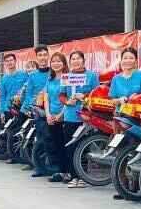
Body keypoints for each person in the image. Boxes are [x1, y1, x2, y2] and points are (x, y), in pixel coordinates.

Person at [51, 50, 99, 187]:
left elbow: (97, 94)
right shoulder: (67, 77)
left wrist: (84, 96)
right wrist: (67, 101)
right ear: (70, 62)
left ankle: (83, 177)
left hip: (86, 117)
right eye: (73, 59)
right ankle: (73, 176)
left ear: (83, 60)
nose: (75, 61)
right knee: (70, 146)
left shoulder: (91, 76)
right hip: (70, 116)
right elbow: (61, 95)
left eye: (78, 58)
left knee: (83, 147)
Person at [108, 47, 141, 198]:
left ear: (136, 60)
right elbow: (112, 99)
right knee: (122, 152)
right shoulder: (116, 78)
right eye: (125, 58)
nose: (127, 61)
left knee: (139, 150)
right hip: (121, 118)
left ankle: (139, 187)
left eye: (131, 58)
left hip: (138, 118)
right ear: (121, 60)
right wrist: (119, 100)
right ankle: (123, 187)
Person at [39, 52, 71, 181]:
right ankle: (61, 171)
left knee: (65, 146)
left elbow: (69, 98)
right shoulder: (49, 79)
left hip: (65, 115)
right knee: (56, 145)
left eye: (59, 61)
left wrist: (61, 114)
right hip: (51, 116)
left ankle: (69, 172)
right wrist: (48, 114)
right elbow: (46, 98)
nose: (56, 64)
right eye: (53, 61)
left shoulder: (68, 78)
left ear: (64, 63)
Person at [21, 47, 53, 175]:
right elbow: (28, 94)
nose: (43, 57)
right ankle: (39, 167)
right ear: (37, 57)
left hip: (54, 110)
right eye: (40, 55)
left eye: (45, 54)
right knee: (40, 140)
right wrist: (29, 105)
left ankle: (55, 166)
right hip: (39, 111)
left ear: (48, 56)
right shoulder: (33, 76)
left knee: (54, 139)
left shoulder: (54, 72)